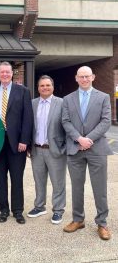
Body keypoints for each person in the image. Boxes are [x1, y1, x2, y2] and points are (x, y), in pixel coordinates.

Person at [62, 66, 112, 240]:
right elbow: (65, 121)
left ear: (93, 77)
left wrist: (88, 139)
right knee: (76, 187)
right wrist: (78, 139)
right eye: (81, 76)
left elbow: (106, 121)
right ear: (76, 78)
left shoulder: (104, 97)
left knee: (100, 188)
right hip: (75, 150)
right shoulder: (67, 99)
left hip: (96, 149)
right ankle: (78, 219)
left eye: (87, 76)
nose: (84, 79)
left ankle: (102, 223)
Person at [0, 61, 33, 224]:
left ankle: (18, 211)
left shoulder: (23, 91)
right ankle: (3, 210)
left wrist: (24, 140)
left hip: (17, 144)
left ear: (13, 74)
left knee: (17, 178)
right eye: (2, 72)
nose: (5, 74)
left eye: (7, 72)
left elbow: (28, 118)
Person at [28, 75, 66, 224]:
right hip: (37, 150)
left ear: (53, 87)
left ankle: (58, 210)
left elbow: (69, 126)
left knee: (58, 182)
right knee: (39, 181)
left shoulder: (61, 103)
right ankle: (39, 206)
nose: (45, 88)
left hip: (55, 150)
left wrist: (65, 148)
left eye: (48, 85)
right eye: (42, 86)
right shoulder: (32, 103)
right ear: (38, 88)